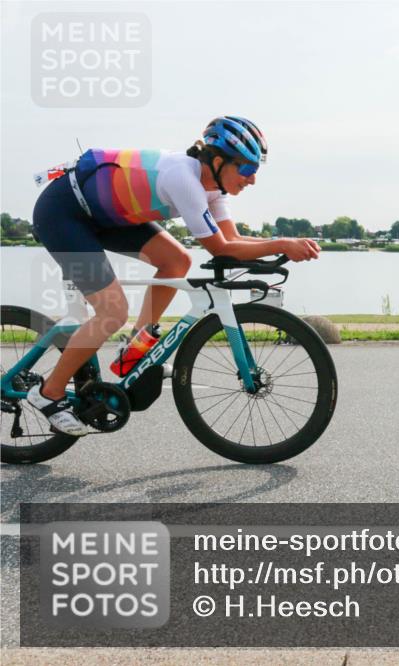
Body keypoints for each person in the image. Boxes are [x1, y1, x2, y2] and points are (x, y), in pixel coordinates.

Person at [27, 116, 320, 436]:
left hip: (106, 217)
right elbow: (221, 249)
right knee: (112, 312)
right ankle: (48, 393)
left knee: (177, 260)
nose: (251, 180)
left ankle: (134, 351)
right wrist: (281, 244)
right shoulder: (183, 179)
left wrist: (283, 246)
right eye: (247, 169)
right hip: (64, 213)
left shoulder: (214, 189)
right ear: (219, 161)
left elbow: (232, 240)